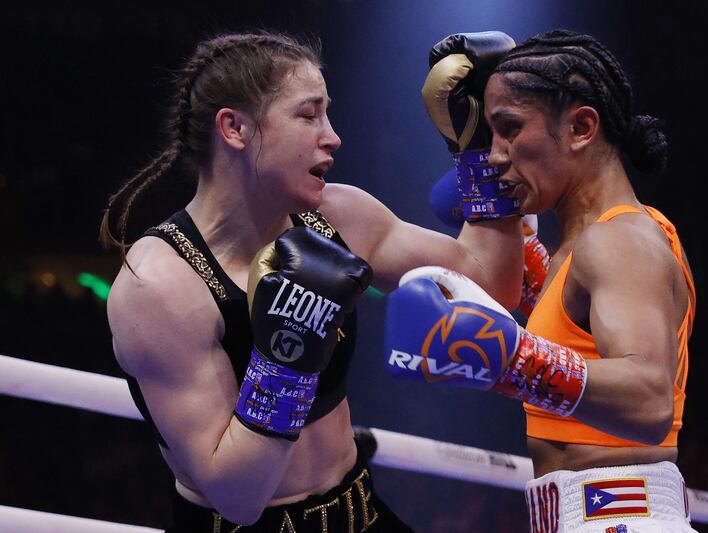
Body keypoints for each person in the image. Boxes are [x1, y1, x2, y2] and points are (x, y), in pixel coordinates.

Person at [101, 32, 525, 532]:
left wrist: (479, 148)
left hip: (359, 510)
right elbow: (237, 497)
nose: (332, 135)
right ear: (234, 128)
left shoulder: (339, 215)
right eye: (308, 115)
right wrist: (285, 358)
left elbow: (489, 287)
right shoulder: (160, 285)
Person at [385, 29, 697, 532]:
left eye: (508, 129)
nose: (495, 153)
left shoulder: (618, 241)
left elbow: (650, 398)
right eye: (491, 135)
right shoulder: (588, 248)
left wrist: (509, 359)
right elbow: (517, 281)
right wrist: (468, 155)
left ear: (580, 128)